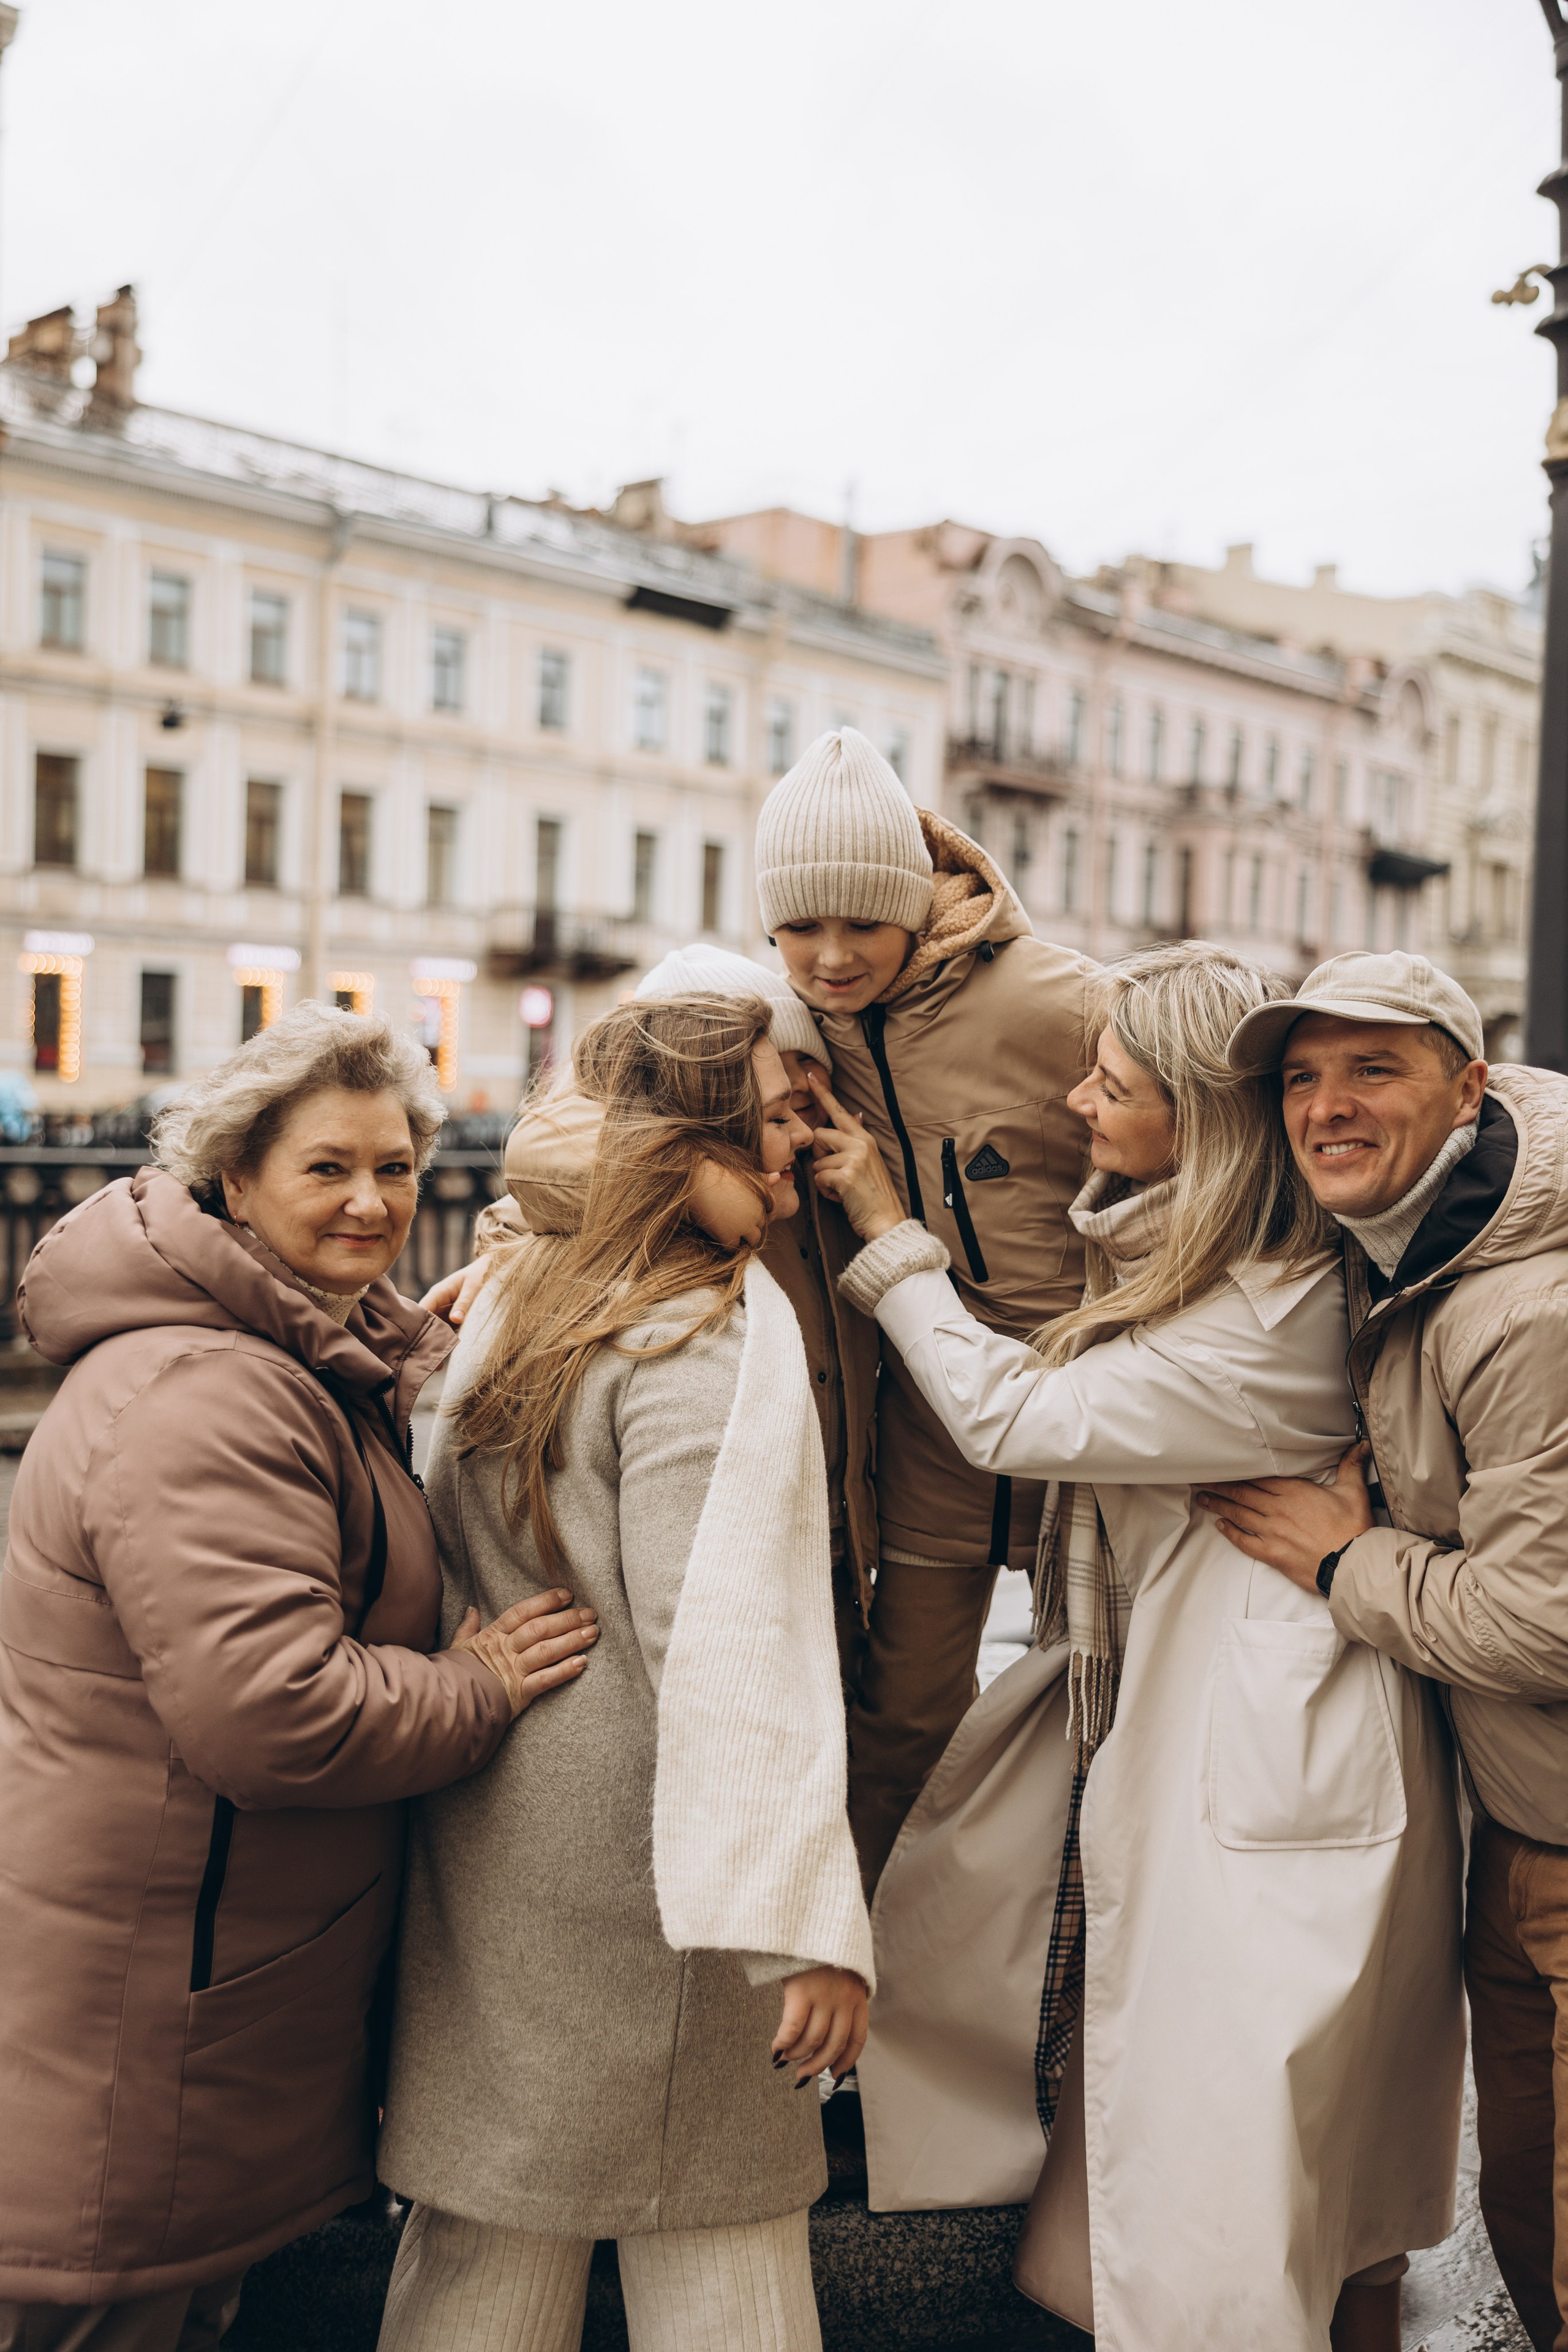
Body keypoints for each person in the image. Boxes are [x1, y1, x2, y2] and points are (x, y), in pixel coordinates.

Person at [811, 943, 1464, 2352]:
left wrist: (881, 1226)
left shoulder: (1262, 1323)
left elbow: (1008, 1418)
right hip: (1257, 1739)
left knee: (1236, 2183)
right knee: (1302, 2186)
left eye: (1107, 1083)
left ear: (1198, 1121)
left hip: (1267, 1761)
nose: (1072, 1101)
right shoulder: (1225, 1264)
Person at [0, 1005, 599, 2352]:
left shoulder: (299, 1357)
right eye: (326, 1168)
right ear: (233, 1178)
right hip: (150, 1988)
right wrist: (480, 1687)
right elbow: (275, 1716)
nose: (371, 1201)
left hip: (196, 1962)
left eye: (394, 1167)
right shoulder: (207, 1395)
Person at [377, 996, 873, 2352]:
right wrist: (802, 1925)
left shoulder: (524, 1290)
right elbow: (721, 1641)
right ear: (692, 1130)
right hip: (664, 1881)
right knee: (721, 2258)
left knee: (481, 2254)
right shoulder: (700, 1335)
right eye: (774, 1119)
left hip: (499, 1845)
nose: (796, 1153)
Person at [1196, 951, 1568, 2352]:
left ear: (1467, 1089)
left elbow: (1542, 1618)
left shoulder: (1525, 1307)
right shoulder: (1412, 1249)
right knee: (1527, 2249)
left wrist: (1344, 1557)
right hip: (1518, 1838)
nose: (1322, 1106)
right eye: (1299, 1075)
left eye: (1369, 1068)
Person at [756, 726, 1097, 1885]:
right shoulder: (789, 1025)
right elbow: (613, 1122)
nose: (833, 956)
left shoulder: (1055, 999)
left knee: (1112, 1719)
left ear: (919, 902)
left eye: (864, 921)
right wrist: (502, 1244)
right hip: (930, 1433)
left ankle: (1073, 1996)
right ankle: (872, 1996)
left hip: (1094, 1423)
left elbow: (1225, 1115)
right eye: (801, 925)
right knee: (903, 1728)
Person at [439, 941, 880, 1684]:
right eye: (779, 1110)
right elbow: (696, 1637)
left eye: (806, 1094)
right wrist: (507, 1250)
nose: (804, 1131)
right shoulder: (667, 1309)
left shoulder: (833, 1188)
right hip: (742, 1582)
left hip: (837, 1543)